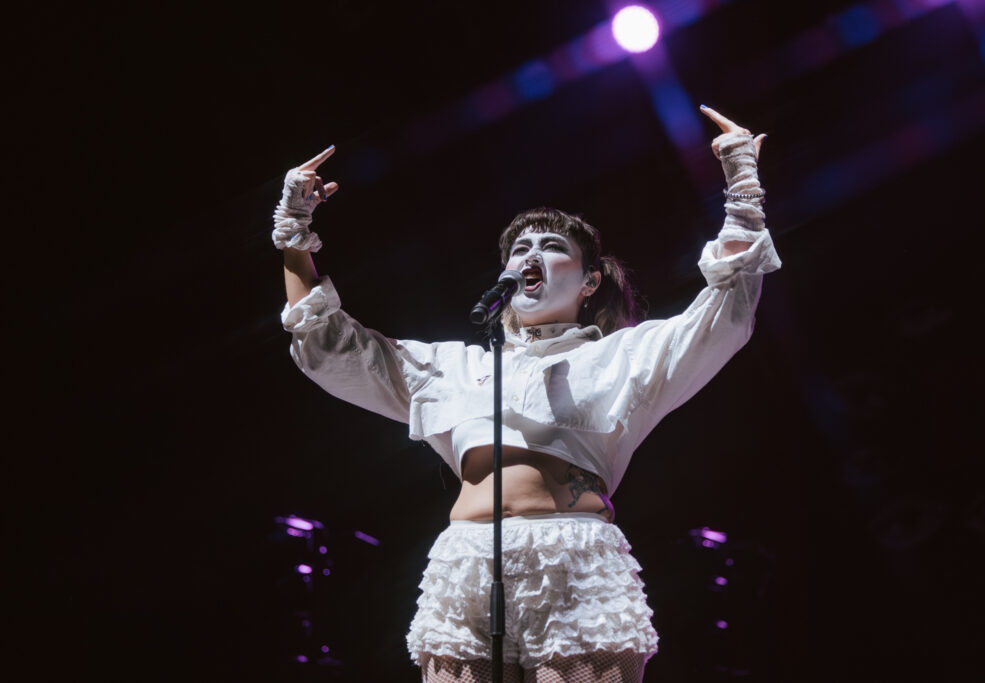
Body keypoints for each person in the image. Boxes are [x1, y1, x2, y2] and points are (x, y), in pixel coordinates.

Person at [275, 106, 780, 682]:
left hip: (574, 564)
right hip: (466, 561)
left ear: (590, 281)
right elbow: (328, 346)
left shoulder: (624, 357)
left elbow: (724, 313)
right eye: (519, 249)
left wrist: (743, 188)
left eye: (552, 245)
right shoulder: (453, 366)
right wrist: (293, 232)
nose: (530, 255)